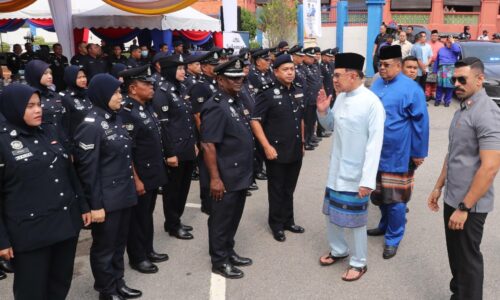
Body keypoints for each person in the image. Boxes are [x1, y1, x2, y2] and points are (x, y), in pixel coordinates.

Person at [0, 83, 91, 300]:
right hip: (30, 232)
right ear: (13, 107)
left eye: (38, 104)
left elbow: (69, 172)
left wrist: (83, 206)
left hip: (64, 223)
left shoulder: (48, 130)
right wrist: (2, 240)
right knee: (31, 290)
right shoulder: (3, 141)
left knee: (60, 284)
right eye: (29, 106)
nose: (38, 110)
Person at [428, 57, 500, 300]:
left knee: (468, 260)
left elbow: (490, 167)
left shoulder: (488, 113)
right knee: (456, 256)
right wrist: (439, 186)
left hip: (469, 204)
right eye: (453, 79)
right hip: (454, 197)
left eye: (462, 79)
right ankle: (458, 295)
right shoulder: (465, 107)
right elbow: (454, 153)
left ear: (480, 80)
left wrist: (464, 207)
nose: (456, 83)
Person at [317, 53, 385, 282]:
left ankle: (359, 262)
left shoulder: (371, 103)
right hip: (336, 169)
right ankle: (338, 250)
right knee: (331, 215)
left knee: (355, 221)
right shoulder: (342, 97)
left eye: (337, 75)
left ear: (353, 75)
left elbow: (375, 145)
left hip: (357, 174)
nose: (333, 79)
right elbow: (331, 127)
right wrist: (324, 112)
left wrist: (367, 180)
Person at [73, 74, 141, 300]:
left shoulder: (115, 118)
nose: (120, 96)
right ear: (102, 94)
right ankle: (106, 290)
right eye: (115, 93)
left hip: (123, 193)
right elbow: (87, 170)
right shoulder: (90, 125)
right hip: (106, 199)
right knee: (104, 247)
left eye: (120, 92)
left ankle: (118, 281)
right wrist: (95, 205)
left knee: (119, 243)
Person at [368, 45, 429, 259]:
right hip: (376, 153)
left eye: (386, 65)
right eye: (380, 65)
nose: (382, 68)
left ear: (398, 65)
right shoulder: (376, 85)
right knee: (380, 194)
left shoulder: (412, 89)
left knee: (395, 199)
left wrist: (419, 152)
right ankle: (384, 226)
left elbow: (421, 123)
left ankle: (393, 238)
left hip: (400, 154)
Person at [201, 57, 254, 279]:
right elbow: (208, 144)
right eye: (232, 78)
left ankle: (228, 250)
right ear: (220, 79)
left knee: (233, 217)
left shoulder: (236, 100)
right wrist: (215, 178)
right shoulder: (215, 106)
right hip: (225, 174)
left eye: (240, 77)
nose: (238, 81)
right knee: (221, 219)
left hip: (240, 172)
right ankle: (220, 260)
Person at [118, 65, 169, 274]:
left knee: (147, 215)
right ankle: (137, 257)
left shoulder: (145, 107)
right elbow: (127, 151)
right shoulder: (127, 112)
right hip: (140, 173)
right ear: (132, 88)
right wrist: (136, 179)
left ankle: (148, 249)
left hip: (152, 171)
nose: (152, 86)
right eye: (146, 84)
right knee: (138, 218)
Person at [251, 54, 306, 242]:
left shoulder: (298, 89)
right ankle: (276, 224)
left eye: (292, 69)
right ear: (276, 72)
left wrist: (303, 142)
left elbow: (301, 118)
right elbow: (255, 121)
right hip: (276, 150)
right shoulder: (266, 92)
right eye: (285, 69)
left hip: (295, 148)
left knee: (289, 188)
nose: (290, 72)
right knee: (276, 188)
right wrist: (266, 146)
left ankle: (288, 220)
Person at [153, 54, 197, 240]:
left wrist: (194, 143)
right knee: (173, 190)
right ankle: (172, 223)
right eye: (179, 68)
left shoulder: (181, 88)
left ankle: (176, 219)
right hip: (174, 150)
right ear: (170, 70)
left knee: (184, 187)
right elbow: (164, 126)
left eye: (183, 68)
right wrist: (169, 153)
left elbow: (187, 120)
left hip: (187, 146)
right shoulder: (161, 92)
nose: (183, 71)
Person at [185, 49, 221, 215]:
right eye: (212, 65)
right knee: (206, 169)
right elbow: (198, 115)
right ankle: (207, 203)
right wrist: (205, 137)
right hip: (207, 135)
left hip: (216, 133)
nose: (215, 67)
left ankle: (215, 197)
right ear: (205, 67)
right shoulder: (200, 86)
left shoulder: (214, 83)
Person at [24, 59, 69, 148]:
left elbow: (64, 123)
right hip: (41, 146)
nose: (49, 76)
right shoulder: (26, 97)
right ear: (34, 74)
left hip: (62, 144)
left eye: (50, 73)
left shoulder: (56, 96)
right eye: (45, 73)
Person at [60, 66, 93, 145]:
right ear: (71, 78)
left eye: (84, 76)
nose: (83, 80)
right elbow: (65, 126)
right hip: (78, 142)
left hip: (94, 137)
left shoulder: (89, 93)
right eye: (79, 77)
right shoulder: (65, 98)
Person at [302, 47, 322, 150]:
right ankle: (305, 141)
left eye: (312, 57)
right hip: (308, 99)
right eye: (309, 57)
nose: (312, 59)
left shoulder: (312, 67)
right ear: (304, 56)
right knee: (307, 122)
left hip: (314, 98)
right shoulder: (302, 68)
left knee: (312, 121)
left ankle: (310, 138)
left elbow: (317, 82)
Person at [433, 35, 461, 107]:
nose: (449, 44)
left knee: (450, 87)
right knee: (439, 86)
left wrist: (453, 42)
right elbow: (437, 61)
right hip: (441, 69)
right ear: (446, 42)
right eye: (448, 42)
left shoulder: (455, 49)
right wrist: (435, 71)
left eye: (450, 42)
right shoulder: (441, 49)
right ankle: (438, 100)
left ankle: (447, 101)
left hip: (451, 70)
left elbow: (457, 50)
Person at [425, 30, 444, 102]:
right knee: (428, 80)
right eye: (433, 35)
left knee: (436, 80)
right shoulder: (427, 44)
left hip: (437, 64)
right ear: (430, 36)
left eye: (436, 36)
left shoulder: (441, 45)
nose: (434, 37)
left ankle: (433, 94)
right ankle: (427, 94)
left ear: (438, 36)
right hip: (428, 63)